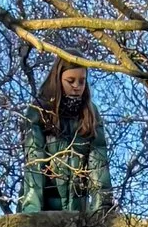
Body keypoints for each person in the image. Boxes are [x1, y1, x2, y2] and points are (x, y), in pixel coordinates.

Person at [20, 56, 111, 215]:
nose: (76, 86)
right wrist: (32, 211)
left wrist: (102, 210)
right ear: (58, 79)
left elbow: (99, 164)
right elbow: (34, 162)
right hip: (44, 209)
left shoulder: (90, 114)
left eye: (82, 81)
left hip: (78, 211)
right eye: (71, 80)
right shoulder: (39, 111)